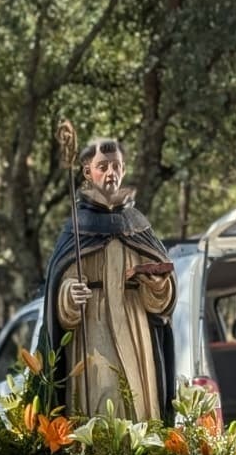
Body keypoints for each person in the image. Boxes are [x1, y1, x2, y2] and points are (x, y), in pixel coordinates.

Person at [40, 137, 176, 420]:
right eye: (103, 167)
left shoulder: (138, 225)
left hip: (136, 327)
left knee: (140, 401)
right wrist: (69, 295)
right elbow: (60, 281)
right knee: (102, 394)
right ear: (87, 172)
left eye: (116, 166)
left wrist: (158, 286)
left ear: (124, 169)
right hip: (93, 326)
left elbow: (164, 294)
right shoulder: (77, 227)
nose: (111, 173)